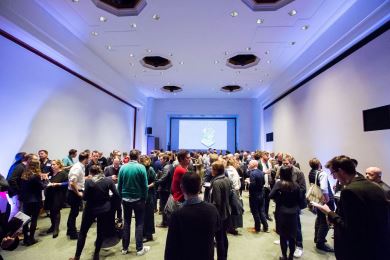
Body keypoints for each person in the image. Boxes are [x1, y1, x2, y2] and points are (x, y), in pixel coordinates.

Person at [312, 155, 390, 260]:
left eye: (333, 173)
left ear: (340, 171)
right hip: (377, 247)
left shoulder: (349, 191)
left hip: (357, 250)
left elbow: (350, 228)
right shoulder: (376, 186)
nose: (334, 177)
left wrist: (329, 213)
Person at [165, 172, 220, 260]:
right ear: (200, 187)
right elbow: (220, 238)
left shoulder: (177, 215)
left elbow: (171, 247)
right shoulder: (212, 209)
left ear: (182, 187)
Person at [69, 165, 119, 260]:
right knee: (100, 232)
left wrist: (80, 193)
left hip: (90, 210)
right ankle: (96, 254)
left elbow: (85, 198)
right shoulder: (108, 181)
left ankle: (77, 257)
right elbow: (116, 194)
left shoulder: (88, 182)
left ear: (90, 173)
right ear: (100, 171)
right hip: (104, 209)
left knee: (83, 232)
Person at [118, 149, 150, 256]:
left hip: (126, 199)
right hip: (138, 200)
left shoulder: (123, 167)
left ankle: (124, 248)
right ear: (138, 156)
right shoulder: (141, 168)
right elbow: (145, 186)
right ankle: (139, 249)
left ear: (129, 156)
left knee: (126, 222)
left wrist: (121, 196)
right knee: (139, 223)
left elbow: (119, 184)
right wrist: (144, 198)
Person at [270, 166, 302, 260]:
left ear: (281, 173)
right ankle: (291, 256)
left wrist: (278, 199)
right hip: (293, 213)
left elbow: (270, 195)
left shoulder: (279, 184)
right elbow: (300, 200)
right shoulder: (296, 185)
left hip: (281, 213)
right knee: (292, 237)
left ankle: (284, 256)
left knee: (283, 236)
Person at [308, 158, 335, 252]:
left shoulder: (311, 172)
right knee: (326, 221)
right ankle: (320, 242)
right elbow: (324, 188)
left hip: (317, 199)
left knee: (320, 218)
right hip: (325, 199)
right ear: (319, 164)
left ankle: (317, 238)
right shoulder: (322, 173)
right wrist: (327, 199)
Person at [20, 159, 45, 246]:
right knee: (34, 220)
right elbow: (42, 187)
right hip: (35, 201)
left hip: (26, 201)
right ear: (36, 166)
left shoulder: (24, 175)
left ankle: (25, 239)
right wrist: (44, 180)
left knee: (26, 221)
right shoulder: (35, 176)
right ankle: (31, 238)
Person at [210, 161, 231, 260]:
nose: (211, 170)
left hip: (219, 215)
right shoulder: (226, 179)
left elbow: (217, 202)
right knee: (223, 237)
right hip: (227, 212)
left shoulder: (216, 182)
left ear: (216, 170)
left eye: (212, 168)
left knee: (219, 239)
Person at [67, 152, 89, 240]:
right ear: (85, 159)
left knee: (73, 212)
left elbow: (78, 179)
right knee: (74, 213)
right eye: (89, 158)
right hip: (74, 193)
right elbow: (72, 182)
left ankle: (70, 230)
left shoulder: (80, 166)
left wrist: (86, 178)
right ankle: (73, 233)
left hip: (74, 192)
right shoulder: (78, 168)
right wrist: (78, 193)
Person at [44, 160, 68, 238]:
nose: (52, 166)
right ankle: (52, 226)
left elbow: (67, 183)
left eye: (54, 164)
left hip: (58, 195)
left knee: (56, 211)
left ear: (58, 165)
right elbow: (48, 181)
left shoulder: (63, 173)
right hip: (49, 194)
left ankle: (56, 228)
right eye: (51, 165)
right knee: (51, 211)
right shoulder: (50, 173)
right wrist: (45, 179)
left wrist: (58, 184)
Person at [247, 160, 268, 233]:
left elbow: (252, 185)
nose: (248, 165)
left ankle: (257, 228)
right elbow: (264, 182)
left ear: (253, 165)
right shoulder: (261, 172)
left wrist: (248, 182)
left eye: (249, 164)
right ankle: (265, 226)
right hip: (261, 193)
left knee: (255, 212)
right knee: (261, 211)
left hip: (254, 195)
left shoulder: (252, 173)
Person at [139, 155, 156, 242]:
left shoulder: (151, 169)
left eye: (142, 161)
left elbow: (155, 181)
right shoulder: (141, 169)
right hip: (142, 195)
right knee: (143, 215)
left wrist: (147, 186)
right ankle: (145, 234)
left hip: (149, 195)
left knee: (148, 215)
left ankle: (148, 234)